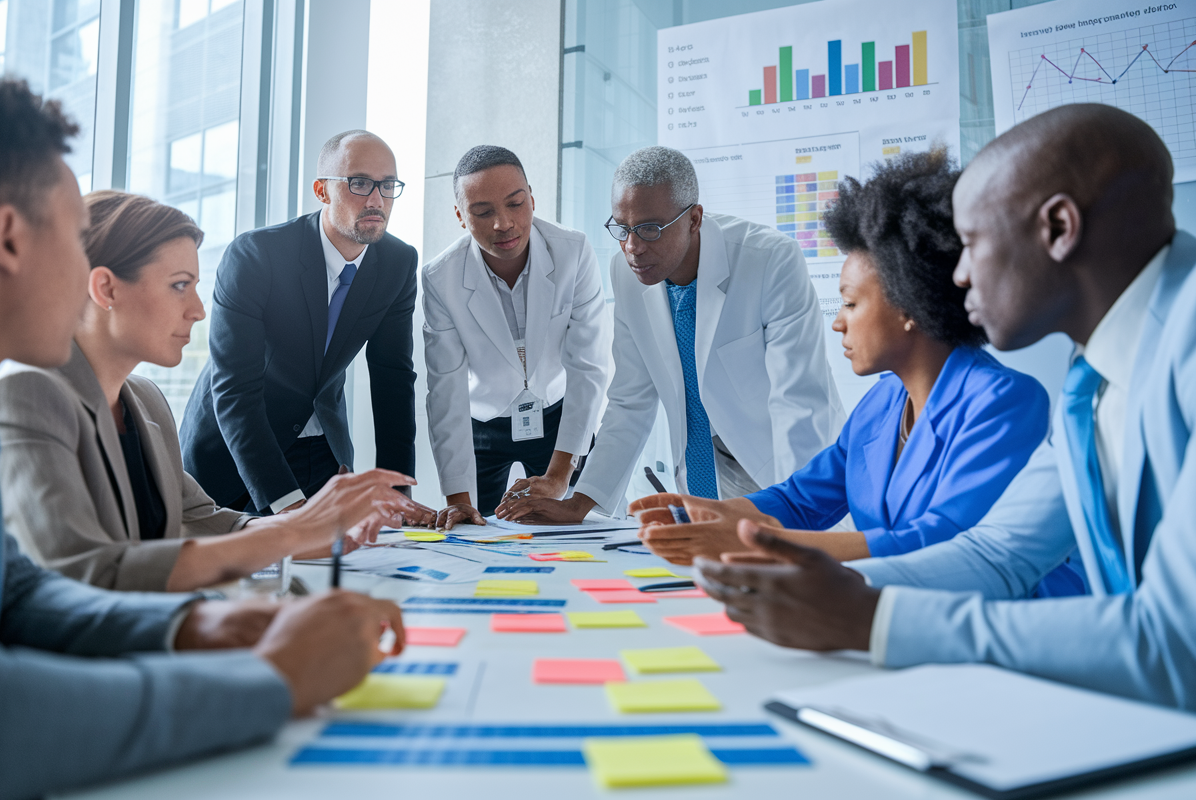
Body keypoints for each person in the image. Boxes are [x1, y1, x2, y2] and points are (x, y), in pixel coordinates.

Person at [0, 57, 407, 799]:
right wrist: (272, 682)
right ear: (9, 238)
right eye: (76, 238)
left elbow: (18, 596)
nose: (89, 274)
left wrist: (197, 629)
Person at [694, 104, 1196, 709]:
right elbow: (998, 552)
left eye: (974, 243)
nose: (955, 277)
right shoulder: (1092, 374)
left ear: (1060, 228)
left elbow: (1177, 644)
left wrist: (873, 619)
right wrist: (808, 590)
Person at [630, 150, 1083, 596]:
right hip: (907, 618)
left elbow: (942, 545)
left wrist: (765, 544)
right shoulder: (883, 404)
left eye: (850, 302)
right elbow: (800, 500)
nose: (838, 321)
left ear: (909, 303)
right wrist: (717, 515)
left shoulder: (1003, 402)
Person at [0, 191, 431, 592]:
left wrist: (319, 528)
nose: (198, 311)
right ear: (105, 288)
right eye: (179, 285)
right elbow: (82, 575)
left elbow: (206, 520)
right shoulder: (26, 397)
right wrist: (291, 533)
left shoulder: (145, 401)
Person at [497, 145, 844, 524]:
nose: (633, 247)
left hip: (784, 469)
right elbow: (631, 400)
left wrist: (799, 515)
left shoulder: (769, 260)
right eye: (622, 228)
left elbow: (799, 402)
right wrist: (580, 504)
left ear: (694, 219)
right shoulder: (626, 274)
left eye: (649, 229)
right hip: (704, 480)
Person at [180, 130, 423, 516]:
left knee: (338, 571)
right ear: (322, 190)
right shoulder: (256, 255)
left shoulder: (398, 263)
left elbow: (393, 380)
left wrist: (397, 492)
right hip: (237, 455)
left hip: (324, 455)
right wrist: (287, 506)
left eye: (388, 185)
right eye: (359, 183)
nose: (377, 199)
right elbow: (234, 389)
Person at [423, 146, 610, 528]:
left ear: (532, 199)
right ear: (461, 216)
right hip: (484, 423)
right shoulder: (440, 278)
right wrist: (458, 500)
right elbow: (446, 391)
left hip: (559, 416)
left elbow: (588, 367)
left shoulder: (572, 252)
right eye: (483, 212)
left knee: (570, 530)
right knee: (474, 530)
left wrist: (560, 477)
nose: (503, 224)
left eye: (515, 204)